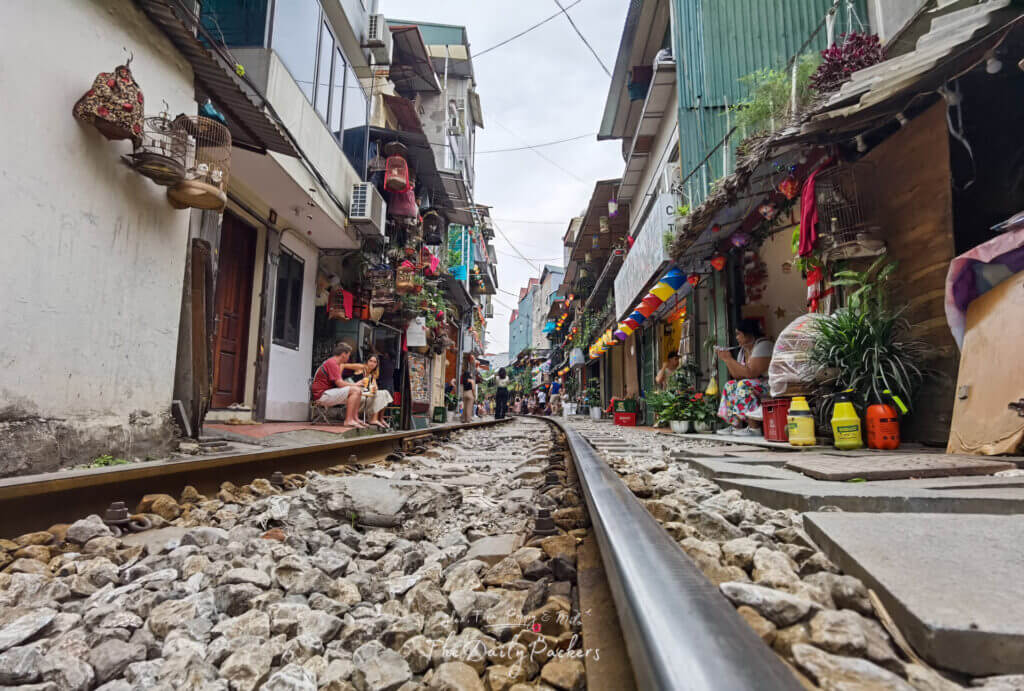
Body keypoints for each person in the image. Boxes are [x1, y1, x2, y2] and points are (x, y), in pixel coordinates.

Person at [716, 319, 774, 436]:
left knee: (745, 385)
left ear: (748, 333)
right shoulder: (743, 350)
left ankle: (754, 428)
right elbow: (737, 375)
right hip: (755, 383)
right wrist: (726, 360)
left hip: (770, 385)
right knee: (730, 385)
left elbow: (751, 373)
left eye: (739, 334)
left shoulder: (763, 345)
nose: (737, 337)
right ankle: (735, 425)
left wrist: (729, 359)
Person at [311, 342, 368, 428]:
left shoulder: (335, 363)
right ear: (343, 354)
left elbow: (339, 383)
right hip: (321, 396)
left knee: (358, 391)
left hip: (326, 393)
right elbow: (340, 383)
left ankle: (355, 419)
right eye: (348, 355)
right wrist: (355, 384)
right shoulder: (332, 363)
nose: (349, 358)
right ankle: (348, 420)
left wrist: (355, 385)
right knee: (355, 390)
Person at [357, 354, 393, 430]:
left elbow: (374, 387)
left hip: (367, 397)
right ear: (366, 362)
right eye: (370, 361)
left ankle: (380, 418)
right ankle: (373, 419)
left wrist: (374, 388)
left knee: (385, 392)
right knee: (378, 394)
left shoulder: (372, 375)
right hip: (358, 398)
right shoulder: (360, 371)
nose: (372, 363)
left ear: (377, 364)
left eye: (375, 362)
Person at [460, 357, 477, 423]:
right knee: (469, 408)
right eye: (470, 374)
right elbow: (473, 388)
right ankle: (468, 420)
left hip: (464, 393)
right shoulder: (471, 380)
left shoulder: (464, 380)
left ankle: (463, 419)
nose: (471, 374)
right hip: (470, 393)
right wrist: (474, 395)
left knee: (465, 407)